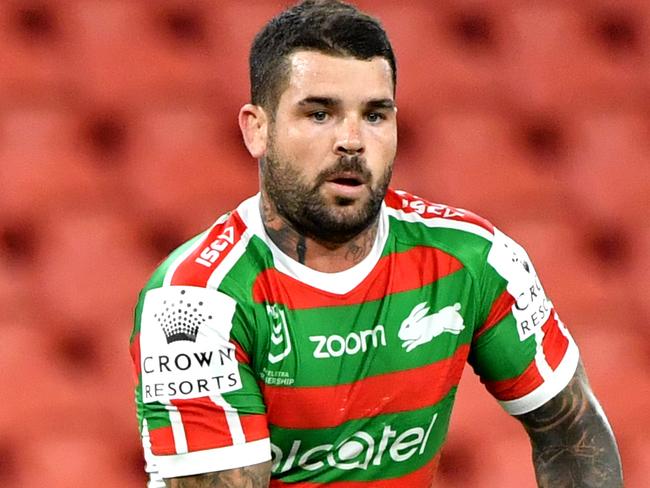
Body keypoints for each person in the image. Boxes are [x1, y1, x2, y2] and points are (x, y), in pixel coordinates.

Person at [129, 1, 623, 486]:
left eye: (375, 115)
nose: (352, 140)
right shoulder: (196, 301)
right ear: (257, 129)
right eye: (319, 114)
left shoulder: (475, 259)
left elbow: (570, 429)